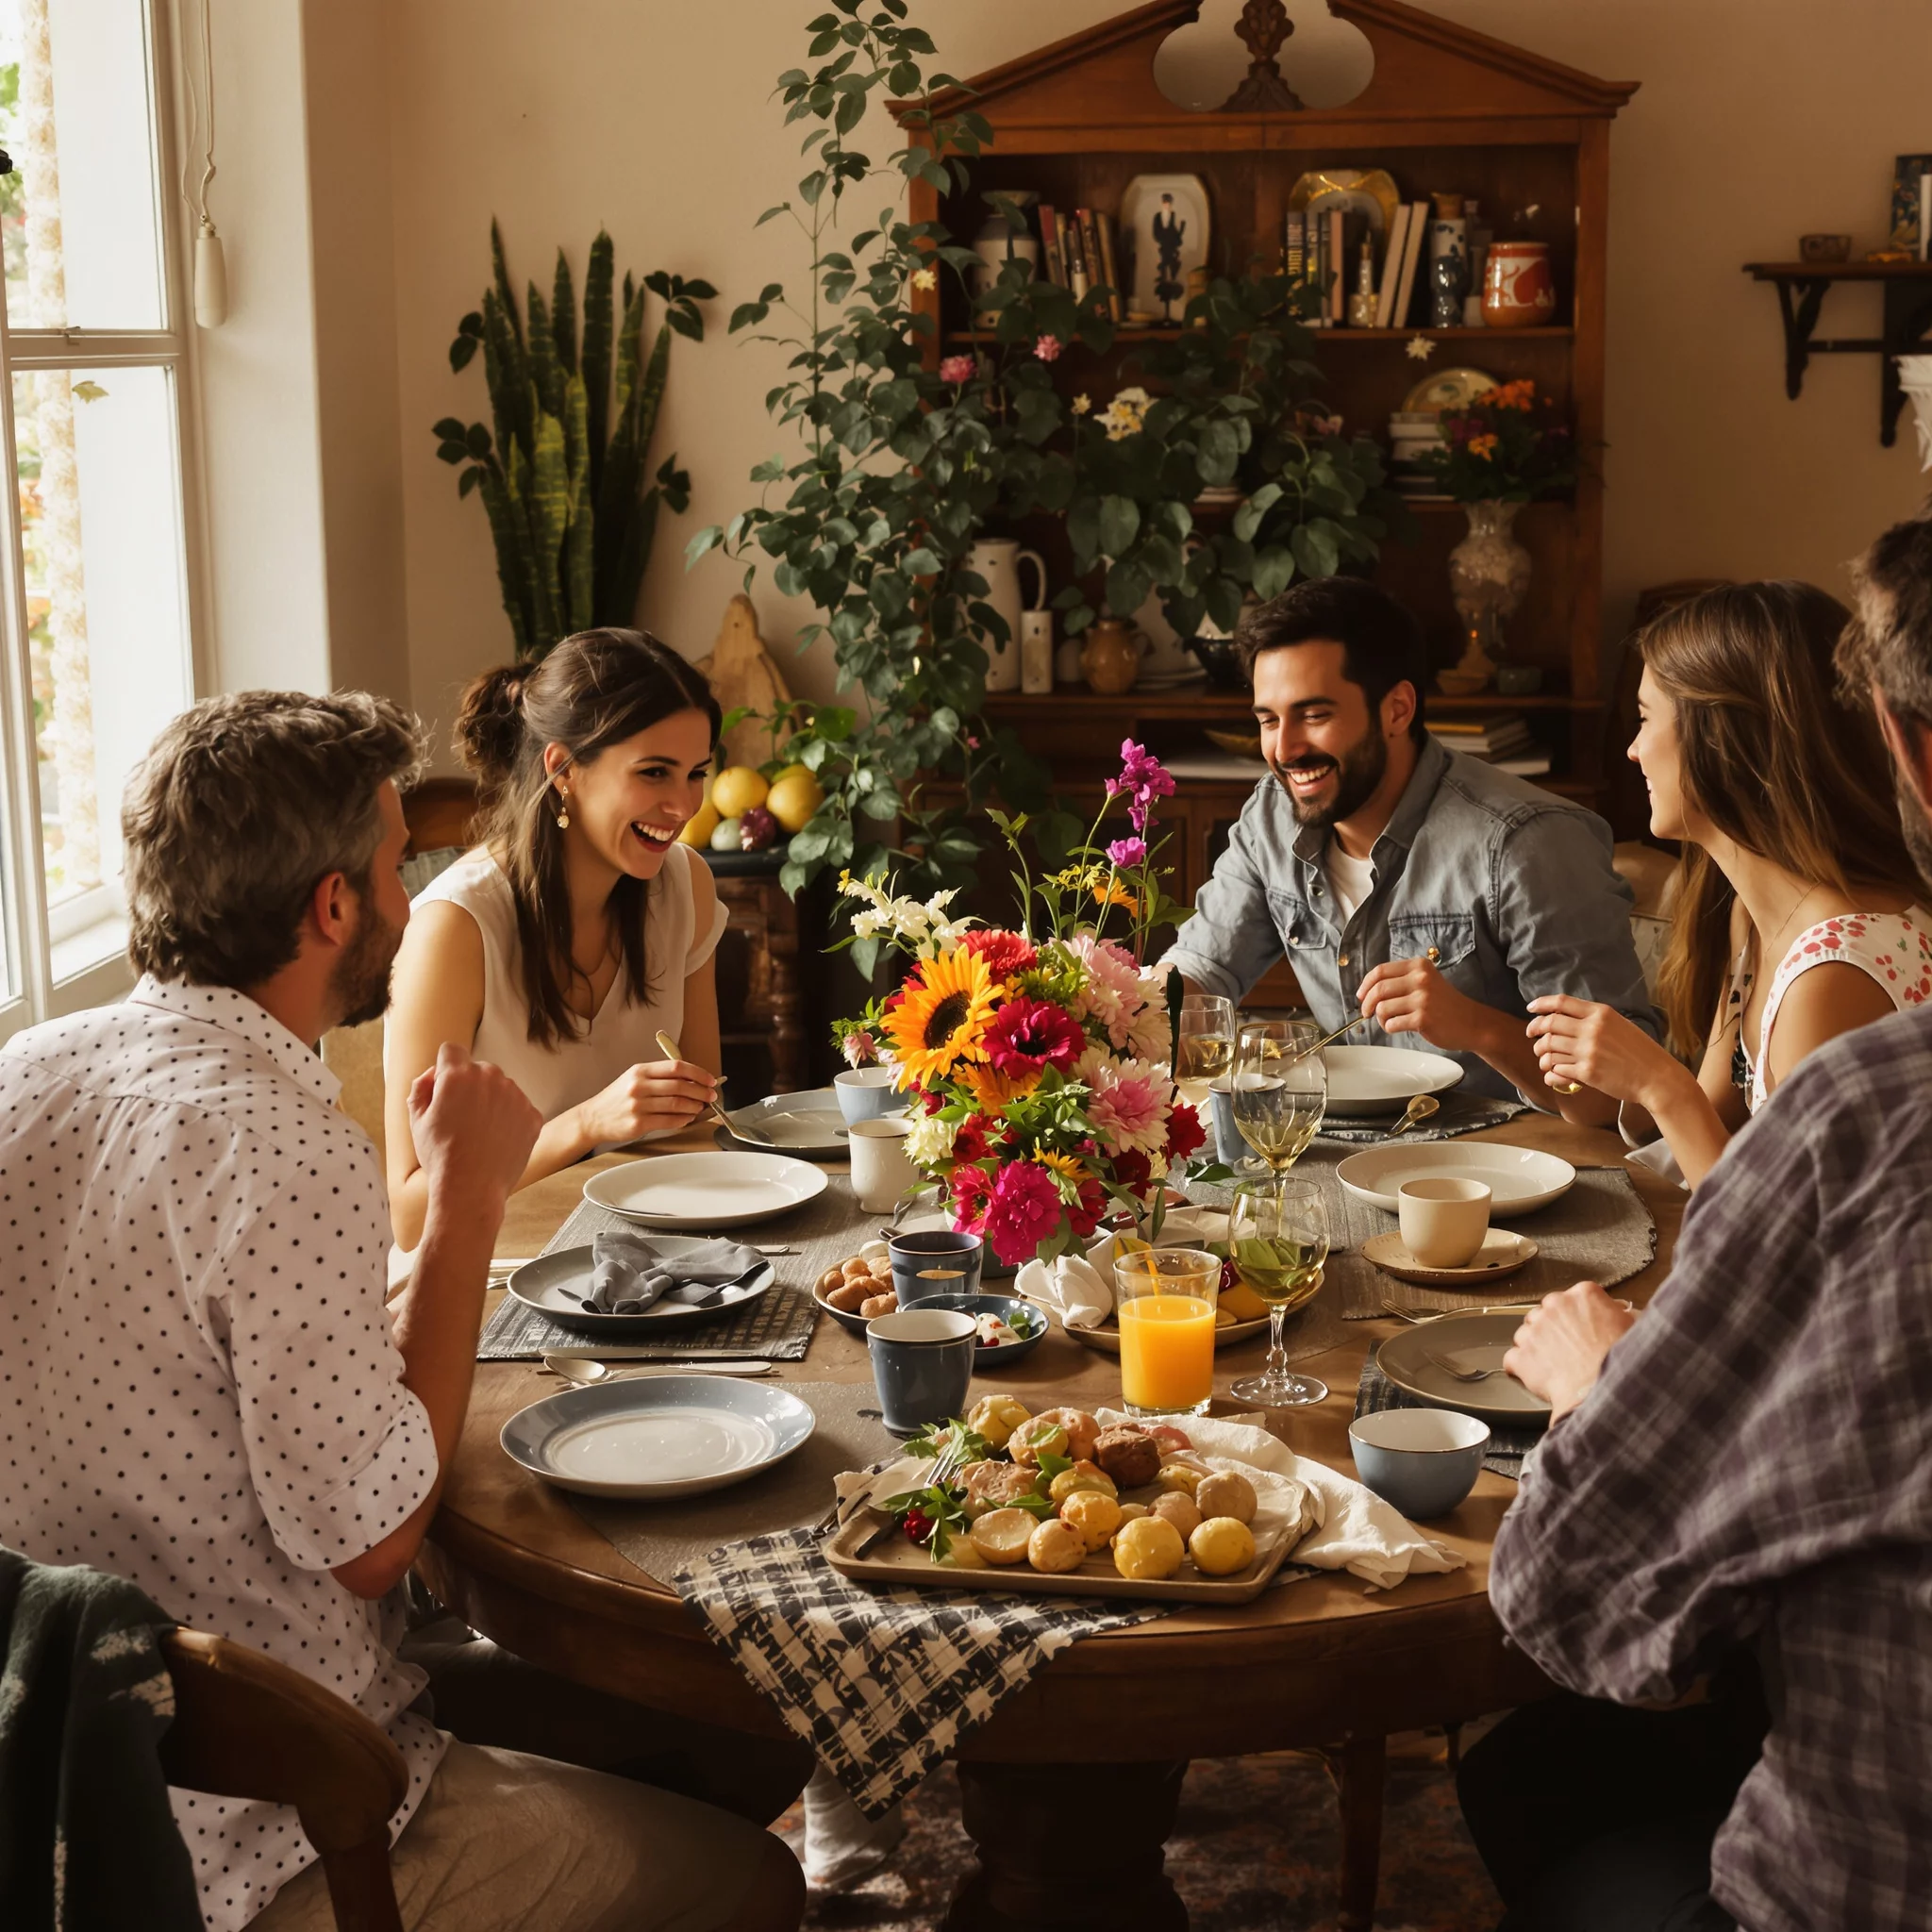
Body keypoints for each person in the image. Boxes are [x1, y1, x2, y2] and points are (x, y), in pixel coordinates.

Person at [0, 691, 809, 1932]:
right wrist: (474, 1196)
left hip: (56, 1767)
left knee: (742, 1735)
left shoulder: (21, 1075)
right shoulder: (277, 1143)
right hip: (265, 1819)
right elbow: (373, 1548)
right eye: (393, 864)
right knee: (758, 1880)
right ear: (333, 905)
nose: (407, 888)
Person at [1462, 516, 1932, 1930]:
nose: (1626, 749)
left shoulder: (1863, 1062)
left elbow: (1579, 1597)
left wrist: (1601, 1382)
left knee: (1530, 1779)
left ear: (1910, 749)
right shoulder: (1740, 936)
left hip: (1854, 1886)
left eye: (1649, 721)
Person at [1160, 575, 1657, 1121]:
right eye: (1268, 720)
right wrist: (1106, 1016)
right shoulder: (1272, 816)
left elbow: (1620, 1100)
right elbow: (1198, 976)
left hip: (1506, 1169)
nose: (1284, 749)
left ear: (1397, 709)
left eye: (1315, 715)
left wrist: (1475, 1026)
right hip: (1342, 1157)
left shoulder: (1526, 844)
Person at [1523, 581, 1929, 1186]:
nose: (1633, 751)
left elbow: (1785, 1240)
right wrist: (1618, 1075)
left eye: (1644, 718)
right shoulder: (1756, 916)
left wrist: (1660, 1084)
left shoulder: (1835, 974)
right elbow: (1719, 1117)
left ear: (1724, 738)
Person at [385, 629, 729, 1251]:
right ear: (563, 768)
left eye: (696, 773)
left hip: (645, 1258)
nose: (684, 806)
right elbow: (408, 1214)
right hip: (488, 1273)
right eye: (654, 772)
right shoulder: (454, 929)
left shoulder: (687, 886)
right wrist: (586, 1124)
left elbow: (702, 1121)